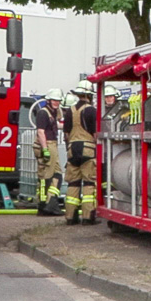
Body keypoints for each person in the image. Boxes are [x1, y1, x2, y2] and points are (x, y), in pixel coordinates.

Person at [62, 81, 100, 226]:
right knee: (89, 182)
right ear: (90, 95)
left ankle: (70, 217)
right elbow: (95, 134)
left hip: (72, 149)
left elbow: (66, 135)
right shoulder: (91, 111)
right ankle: (87, 217)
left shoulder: (69, 111)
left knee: (73, 183)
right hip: (88, 149)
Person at [31, 88, 65, 214]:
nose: (57, 103)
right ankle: (44, 204)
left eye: (58, 101)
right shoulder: (43, 113)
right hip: (46, 145)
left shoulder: (53, 113)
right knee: (46, 176)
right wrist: (45, 149)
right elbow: (41, 132)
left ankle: (51, 202)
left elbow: (55, 125)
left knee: (57, 174)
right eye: (54, 100)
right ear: (48, 100)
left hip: (52, 145)